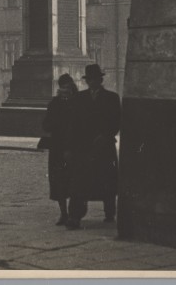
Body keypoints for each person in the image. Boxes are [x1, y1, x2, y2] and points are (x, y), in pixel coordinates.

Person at [66, 64, 121, 229]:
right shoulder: (79, 98)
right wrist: (69, 148)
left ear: (100, 80)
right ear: (87, 81)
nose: (92, 82)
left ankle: (109, 212)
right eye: (90, 79)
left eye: (96, 79)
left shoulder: (112, 97)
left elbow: (116, 121)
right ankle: (74, 216)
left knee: (107, 181)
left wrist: (105, 135)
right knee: (80, 182)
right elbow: (73, 125)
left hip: (104, 146)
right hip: (83, 147)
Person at [42, 73, 78, 225]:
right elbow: (46, 124)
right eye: (62, 87)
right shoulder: (55, 103)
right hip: (57, 148)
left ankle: (73, 213)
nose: (65, 90)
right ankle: (64, 213)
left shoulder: (78, 103)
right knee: (59, 182)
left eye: (67, 87)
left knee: (74, 181)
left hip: (74, 148)